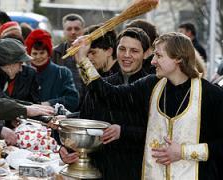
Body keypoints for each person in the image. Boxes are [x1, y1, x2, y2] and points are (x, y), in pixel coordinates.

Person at [63, 32, 223, 179]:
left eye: (159, 56)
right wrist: (83, 60)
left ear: (178, 58)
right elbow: (108, 94)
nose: (153, 62)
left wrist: (183, 152)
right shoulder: (151, 84)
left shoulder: (212, 95)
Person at [69, 27, 150, 179]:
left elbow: (156, 134)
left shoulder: (151, 87)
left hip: (134, 171)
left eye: (134, 51)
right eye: (122, 49)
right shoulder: (101, 85)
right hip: (98, 170)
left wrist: (124, 131)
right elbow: (85, 122)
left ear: (146, 54)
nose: (127, 55)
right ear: (115, 50)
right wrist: (67, 149)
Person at [25, 29, 79, 112]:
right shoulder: (23, 73)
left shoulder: (62, 73)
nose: (38, 57)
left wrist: (49, 103)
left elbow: (73, 100)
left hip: (55, 119)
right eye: (35, 53)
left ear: (48, 53)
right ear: (29, 54)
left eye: (42, 53)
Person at [52, 13, 85, 109]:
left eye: (77, 28)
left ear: (83, 30)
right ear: (64, 31)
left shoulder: (92, 52)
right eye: (69, 29)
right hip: (63, 104)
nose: (73, 32)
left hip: (86, 104)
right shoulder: (55, 53)